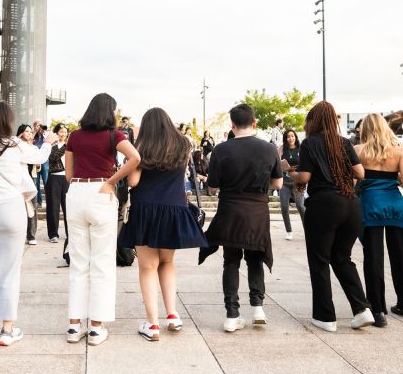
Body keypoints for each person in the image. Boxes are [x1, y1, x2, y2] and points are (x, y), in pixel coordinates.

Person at [0, 101, 55, 346]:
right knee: (11, 269)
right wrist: (47, 141)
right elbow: (39, 156)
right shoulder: (14, 145)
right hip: (11, 210)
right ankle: (7, 329)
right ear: (5, 121)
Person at [118, 108, 207, 341]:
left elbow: (134, 181)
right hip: (174, 209)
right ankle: (173, 315)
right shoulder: (183, 145)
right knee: (167, 263)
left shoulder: (142, 148)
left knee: (147, 267)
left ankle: (153, 324)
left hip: (145, 209)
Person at [289, 101, 374, 332]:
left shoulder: (309, 143)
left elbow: (305, 177)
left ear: (313, 121)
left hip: (324, 204)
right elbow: (360, 172)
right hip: (350, 204)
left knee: (320, 260)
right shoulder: (344, 143)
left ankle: (325, 317)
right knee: (343, 258)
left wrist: (290, 171)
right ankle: (362, 309)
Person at [64, 93, 141, 345]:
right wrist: (111, 181)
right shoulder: (114, 135)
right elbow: (135, 158)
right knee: (102, 262)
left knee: (78, 262)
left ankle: (74, 326)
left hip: (76, 191)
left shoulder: (74, 136)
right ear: (110, 111)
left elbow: (68, 174)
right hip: (101, 192)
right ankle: (96, 327)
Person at [199, 104, 282, 331]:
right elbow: (278, 184)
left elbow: (213, 187)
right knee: (255, 258)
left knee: (231, 261)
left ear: (232, 125)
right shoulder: (269, 149)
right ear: (254, 123)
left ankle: (232, 314)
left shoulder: (221, 150)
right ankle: (257, 307)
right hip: (257, 210)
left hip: (231, 210)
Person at [354, 113, 403, 328]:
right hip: (394, 205)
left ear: (365, 129)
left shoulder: (358, 150)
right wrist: (399, 174)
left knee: (373, 257)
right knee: (398, 255)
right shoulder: (399, 150)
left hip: (371, 205)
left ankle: (377, 310)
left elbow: (354, 178)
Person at [277, 129, 306, 240]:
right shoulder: (281, 148)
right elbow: (276, 162)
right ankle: (289, 231)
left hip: (298, 181)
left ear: (295, 137)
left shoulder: (301, 148)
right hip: (284, 181)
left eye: (292, 136)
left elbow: (306, 163)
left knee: (300, 206)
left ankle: (307, 229)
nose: (290, 138)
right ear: (285, 138)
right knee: (284, 206)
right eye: (288, 136)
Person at [45, 123, 69, 244]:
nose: (63, 134)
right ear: (56, 133)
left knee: (68, 208)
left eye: (65, 132)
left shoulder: (71, 146)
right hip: (54, 178)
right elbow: (54, 157)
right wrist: (65, 146)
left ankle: (70, 233)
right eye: (61, 132)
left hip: (67, 179)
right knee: (53, 207)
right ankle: (53, 234)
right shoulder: (51, 145)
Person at [17, 124, 40, 245]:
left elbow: (38, 164)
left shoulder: (34, 148)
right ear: (20, 133)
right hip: (17, 179)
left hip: (31, 178)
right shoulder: (15, 146)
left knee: (32, 206)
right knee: (18, 207)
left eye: (31, 132)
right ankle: (18, 234)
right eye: (27, 131)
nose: (29, 133)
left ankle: (31, 235)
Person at [32, 119, 49, 206]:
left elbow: (49, 142)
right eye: (37, 125)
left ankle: (49, 200)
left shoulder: (44, 135)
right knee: (37, 182)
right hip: (36, 162)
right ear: (34, 126)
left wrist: (43, 133)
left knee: (46, 181)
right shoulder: (32, 135)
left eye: (40, 125)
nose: (39, 127)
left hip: (45, 162)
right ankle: (39, 201)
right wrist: (35, 131)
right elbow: (29, 141)